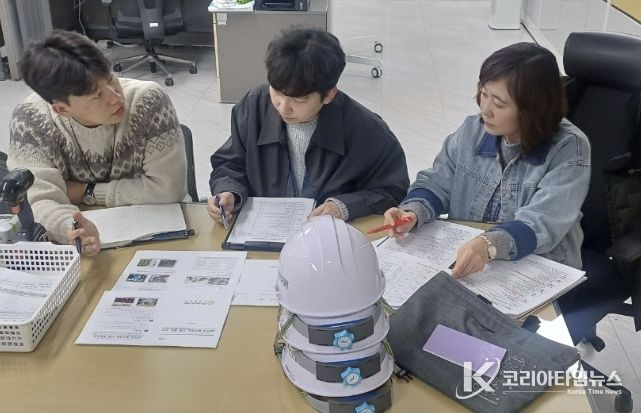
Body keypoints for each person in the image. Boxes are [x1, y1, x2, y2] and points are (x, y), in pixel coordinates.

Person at [384, 42, 591, 278]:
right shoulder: (472, 130)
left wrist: (489, 245)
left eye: (499, 103)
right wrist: (413, 213)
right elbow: (437, 183)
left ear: (533, 109)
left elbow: (543, 222)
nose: (485, 110)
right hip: (474, 260)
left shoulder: (569, 147)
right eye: (484, 94)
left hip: (539, 266)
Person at [7, 30, 187, 256]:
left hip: (155, 233)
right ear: (62, 109)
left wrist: (87, 191)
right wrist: (73, 228)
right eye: (96, 95)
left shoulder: (148, 100)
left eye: (111, 79)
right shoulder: (30, 120)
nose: (115, 97)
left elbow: (169, 189)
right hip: (84, 242)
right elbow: (39, 202)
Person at [208, 27, 409, 225]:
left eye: (299, 100)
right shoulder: (253, 106)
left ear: (329, 94)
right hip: (261, 230)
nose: (283, 107)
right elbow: (230, 164)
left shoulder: (366, 130)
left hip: (326, 236)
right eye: (277, 92)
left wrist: (344, 206)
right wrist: (229, 191)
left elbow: (392, 188)